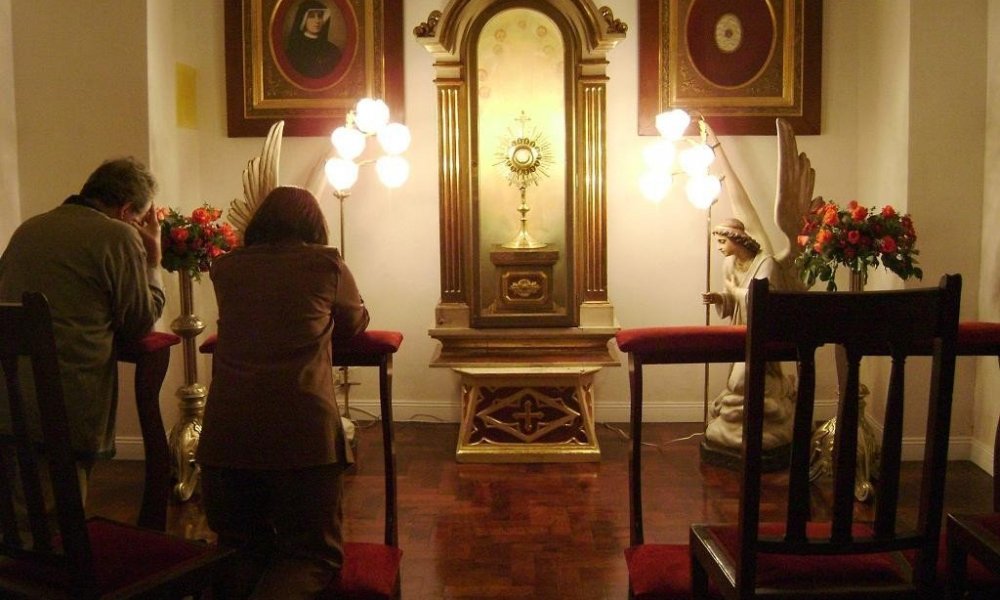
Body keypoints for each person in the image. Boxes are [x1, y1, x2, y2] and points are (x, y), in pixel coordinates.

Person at [197, 185, 369, 599]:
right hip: (302, 432)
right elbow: (353, 321)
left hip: (226, 432)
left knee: (238, 547)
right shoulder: (326, 264)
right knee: (311, 555)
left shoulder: (226, 267)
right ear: (315, 226)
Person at [0, 157, 164, 502]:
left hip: (10, 396)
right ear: (126, 211)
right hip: (67, 401)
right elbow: (140, 322)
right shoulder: (118, 236)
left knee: (21, 510)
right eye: (140, 220)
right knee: (60, 512)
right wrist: (153, 260)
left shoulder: (29, 228)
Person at [701, 218, 795, 453]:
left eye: (722, 241)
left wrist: (734, 291)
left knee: (743, 381)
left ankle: (771, 405)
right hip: (740, 330)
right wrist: (720, 298)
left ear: (737, 240)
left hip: (763, 333)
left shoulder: (766, 263)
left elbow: (765, 300)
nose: (719, 247)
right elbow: (732, 299)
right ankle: (736, 419)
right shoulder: (729, 264)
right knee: (737, 382)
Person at [285, 0, 343, 79]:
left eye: (320, 16)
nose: (317, 20)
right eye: (312, 16)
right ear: (303, 20)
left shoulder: (333, 50)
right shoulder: (293, 52)